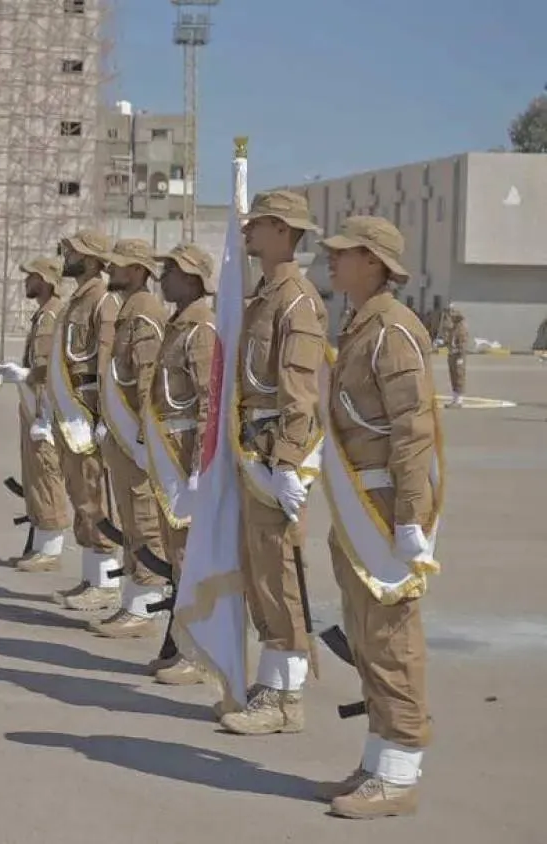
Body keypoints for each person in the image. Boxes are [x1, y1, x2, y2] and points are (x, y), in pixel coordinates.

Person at [315, 216, 441, 818]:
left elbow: (413, 430)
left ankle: (398, 776)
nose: (332, 260)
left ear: (372, 261)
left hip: (387, 506)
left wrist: (412, 519)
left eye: (342, 253)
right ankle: (375, 761)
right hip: (359, 502)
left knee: (391, 640)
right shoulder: (362, 323)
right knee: (365, 636)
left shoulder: (393, 330)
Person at [220, 190, 329, 735]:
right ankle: (270, 684)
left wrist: (286, 463)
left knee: (280, 572)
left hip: (272, 456)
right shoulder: (264, 295)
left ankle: (286, 698)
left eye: (258, 224)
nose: (247, 232)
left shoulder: (297, 302)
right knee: (260, 569)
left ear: (284, 232)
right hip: (252, 450)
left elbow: (300, 394)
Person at [141, 243, 217, 684]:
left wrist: (200, 466)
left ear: (191, 278)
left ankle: (197, 653)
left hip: (185, 454)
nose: (162, 277)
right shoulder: (180, 323)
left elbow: (208, 401)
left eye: (170, 270)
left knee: (191, 558)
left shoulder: (200, 328)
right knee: (178, 557)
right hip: (169, 451)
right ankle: (180, 646)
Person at [91, 238, 169, 639]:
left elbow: (147, 380)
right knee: (130, 518)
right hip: (122, 435)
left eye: (119, 265)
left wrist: (142, 436)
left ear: (138, 271)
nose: (110, 269)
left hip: (137, 438)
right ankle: (133, 600)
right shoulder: (129, 310)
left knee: (144, 518)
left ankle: (145, 605)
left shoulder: (145, 314)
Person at [45, 230, 123, 611]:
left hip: (88, 412)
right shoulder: (76, 301)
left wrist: (105, 417)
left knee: (96, 495)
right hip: (70, 410)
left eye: (73, 252)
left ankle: (106, 583)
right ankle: (92, 578)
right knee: (81, 495)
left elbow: (105, 364)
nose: (66, 257)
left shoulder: (103, 303)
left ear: (91, 260)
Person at [0, 256, 72, 572]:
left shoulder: (50, 317)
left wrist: (21, 375)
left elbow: (45, 369)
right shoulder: (44, 314)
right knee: (36, 476)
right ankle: (40, 546)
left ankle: (50, 550)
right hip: (35, 406)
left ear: (45, 281)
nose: (26, 281)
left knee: (47, 475)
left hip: (44, 410)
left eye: (32, 276)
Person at [444, 304, 469, 407]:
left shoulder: (462, 326)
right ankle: (454, 399)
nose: (450, 314)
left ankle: (459, 400)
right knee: (453, 376)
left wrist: (461, 357)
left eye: (452, 312)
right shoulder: (453, 326)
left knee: (459, 376)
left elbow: (463, 343)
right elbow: (449, 340)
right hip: (452, 354)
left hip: (458, 355)